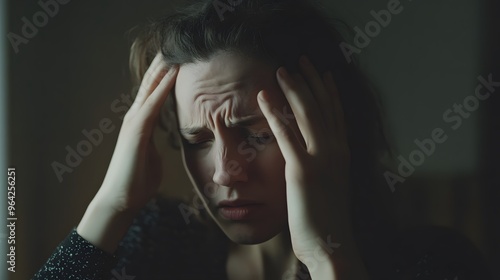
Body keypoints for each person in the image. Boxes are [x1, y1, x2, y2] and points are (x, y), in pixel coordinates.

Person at [33, 0, 491, 279]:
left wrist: (327, 257)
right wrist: (111, 206)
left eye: (256, 133)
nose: (224, 172)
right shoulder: (160, 247)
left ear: (332, 123)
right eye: (197, 139)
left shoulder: (434, 263)